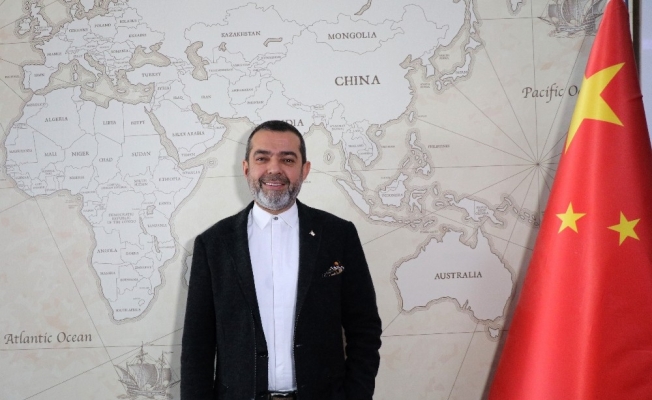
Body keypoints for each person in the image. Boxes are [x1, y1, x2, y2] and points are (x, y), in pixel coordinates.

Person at [181, 120, 382, 400]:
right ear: (246, 168)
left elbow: (365, 329)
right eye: (262, 158)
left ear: (305, 169)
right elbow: (197, 346)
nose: (274, 169)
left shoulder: (338, 235)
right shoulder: (213, 244)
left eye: (287, 159)